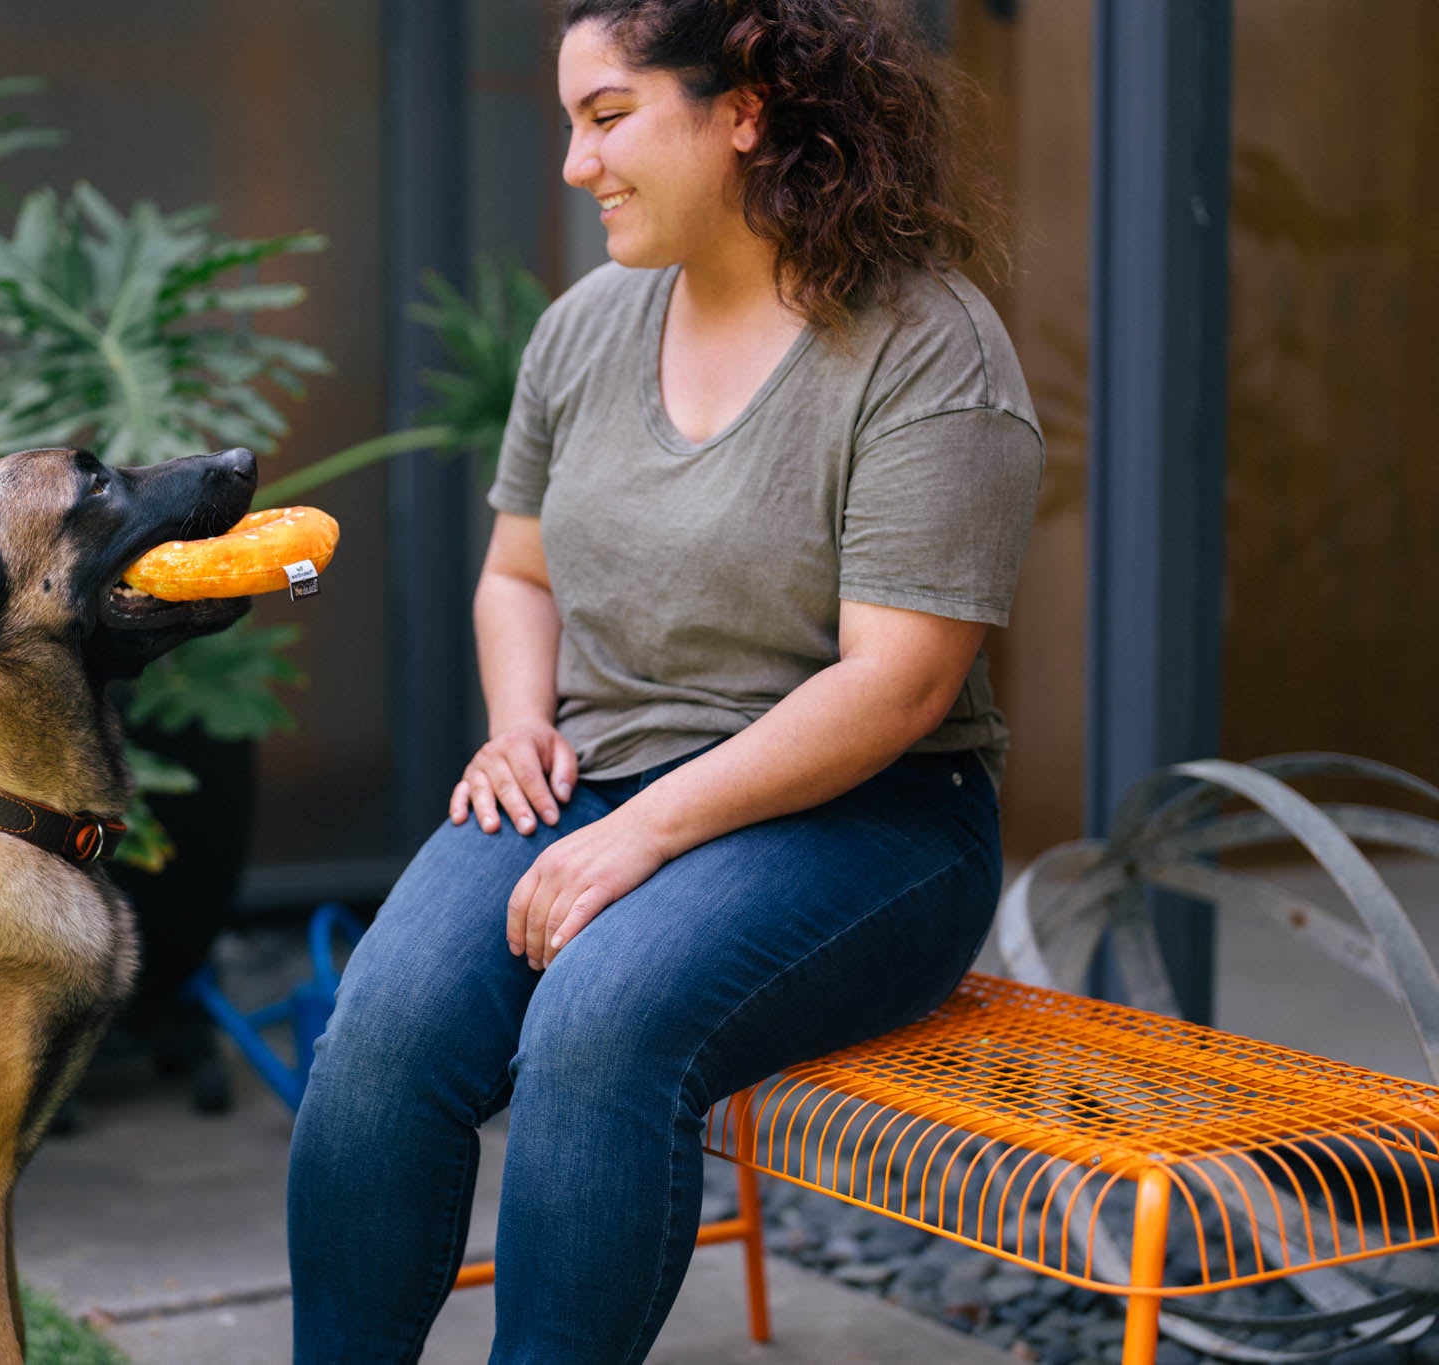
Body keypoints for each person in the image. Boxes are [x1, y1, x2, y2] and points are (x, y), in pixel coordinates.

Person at [288, 0, 1042, 1358]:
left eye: (609, 116)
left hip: (870, 819)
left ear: (744, 106)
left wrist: (639, 835)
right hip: (595, 774)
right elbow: (518, 577)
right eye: (572, 125)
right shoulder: (587, 329)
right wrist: (520, 729)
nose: (579, 164)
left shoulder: (927, 345)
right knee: (386, 1032)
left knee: (598, 1023)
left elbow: (902, 684)